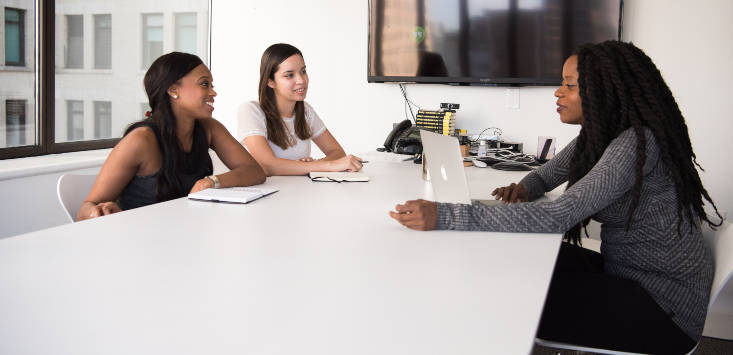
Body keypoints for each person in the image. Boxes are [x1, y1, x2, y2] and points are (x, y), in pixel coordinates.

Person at [389, 40, 722, 354]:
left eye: (571, 85)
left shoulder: (635, 143)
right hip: (627, 273)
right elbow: (548, 173)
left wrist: (446, 215)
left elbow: (557, 216)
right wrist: (525, 188)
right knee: (519, 258)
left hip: (663, 308)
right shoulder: (601, 137)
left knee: (510, 296)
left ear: (603, 92)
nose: (558, 92)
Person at [78, 52, 266, 221]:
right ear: (173, 90)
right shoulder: (141, 141)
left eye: (211, 85)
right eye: (204, 84)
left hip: (182, 235)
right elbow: (85, 210)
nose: (213, 92)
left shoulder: (208, 128)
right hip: (139, 242)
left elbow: (254, 171)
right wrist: (99, 212)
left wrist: (211, 182)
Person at [236, 43, 363, 176]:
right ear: (270, 82)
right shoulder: (250, 111)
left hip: (300, 191)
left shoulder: (305, 110)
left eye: (303, 71)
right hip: (269, 193)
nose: (301, 80)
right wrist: (322, 166)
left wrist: (313, 165)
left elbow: (337, 152)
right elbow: (268, 166)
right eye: (289, 75)